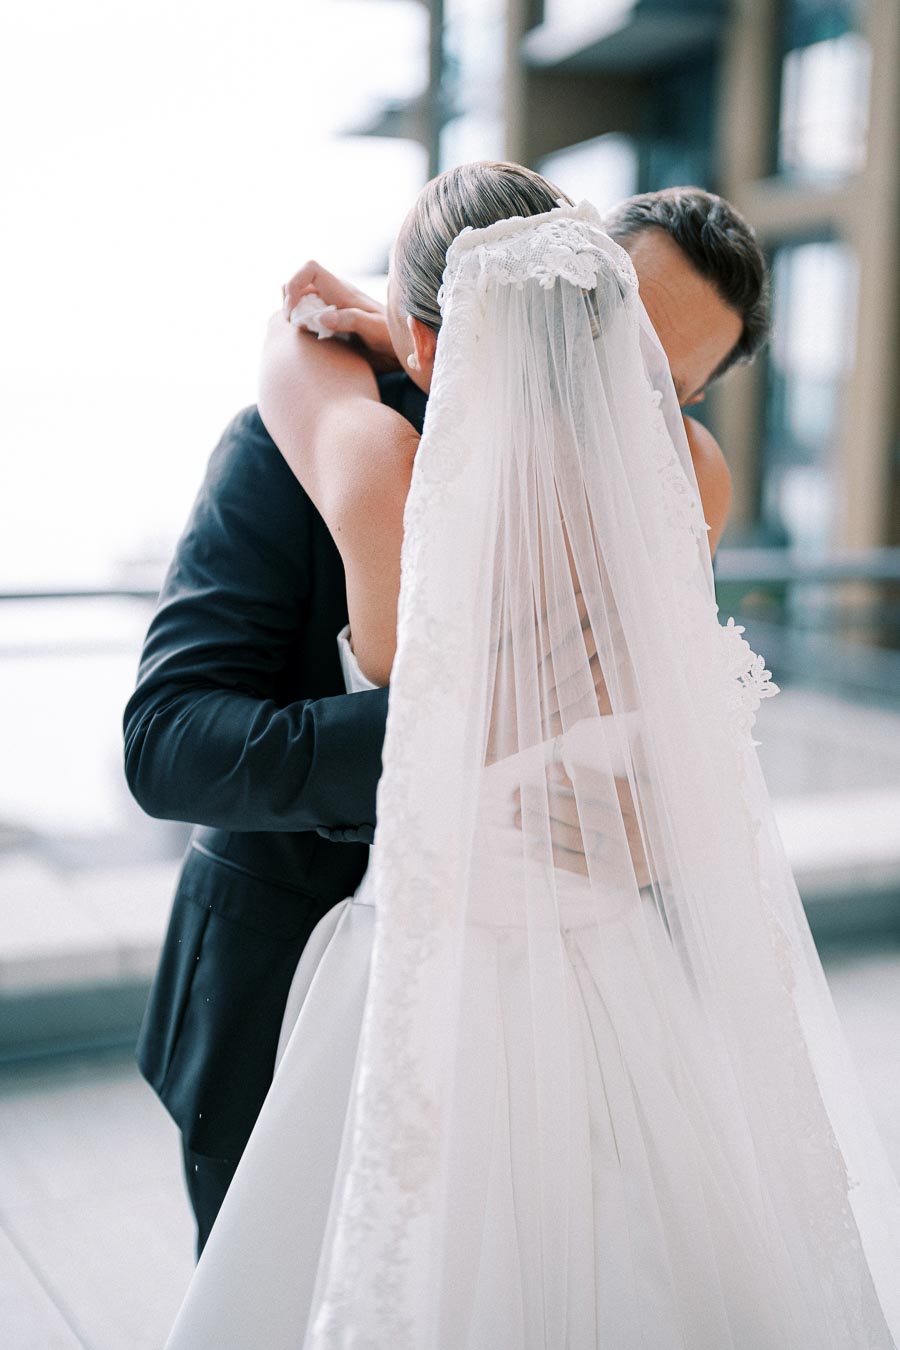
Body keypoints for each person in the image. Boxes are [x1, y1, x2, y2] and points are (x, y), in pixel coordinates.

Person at [164, 166, 900, 1347]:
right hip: (368, 954)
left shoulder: (377, 464)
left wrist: (654, 813)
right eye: (624, 340)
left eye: (674, 389)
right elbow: (175, 739)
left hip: (524, 949)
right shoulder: (659, 492)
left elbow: (289, 341)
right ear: (581, 289)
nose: (626, 396)